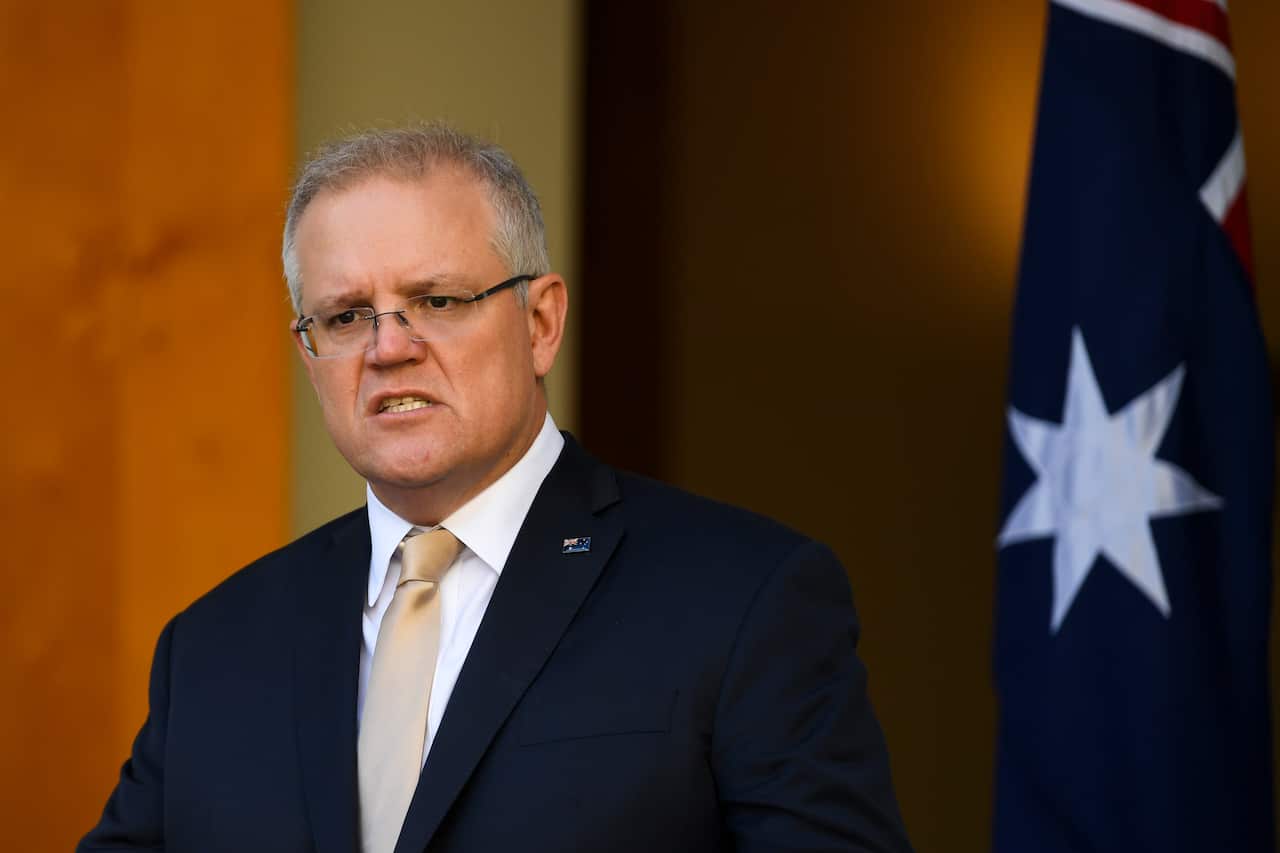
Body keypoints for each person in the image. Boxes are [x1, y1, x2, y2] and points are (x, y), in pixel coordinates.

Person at [79, 124, 913, 853]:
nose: (388, 347)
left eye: (436, 300)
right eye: (344, 316)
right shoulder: (214, 647)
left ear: (541, 323)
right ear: (311, 356)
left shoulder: (743, 600)